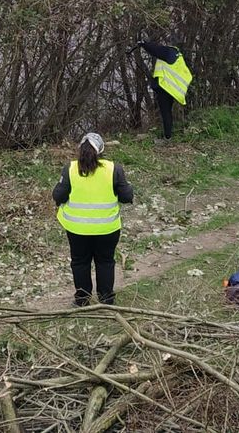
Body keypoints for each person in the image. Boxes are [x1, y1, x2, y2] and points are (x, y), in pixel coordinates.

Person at [52, 132, 134, 306]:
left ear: (80, 149)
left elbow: (58, 195)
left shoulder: (70, 169)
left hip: (76, 229)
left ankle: (82, 300)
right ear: (102, 151)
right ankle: (106, 299)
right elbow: (127, 197)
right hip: (107, 228)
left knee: (80, 262)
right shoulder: (114, 169)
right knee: (105, 262)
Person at [136, 40, 191, 139]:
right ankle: (168, 134)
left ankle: (167, 136)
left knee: (165, 112)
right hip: (171, 89)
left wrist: (143, 44)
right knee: (167, 112)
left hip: (166, 88)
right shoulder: (177, 55)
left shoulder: (168, 52)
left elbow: (155, 50)